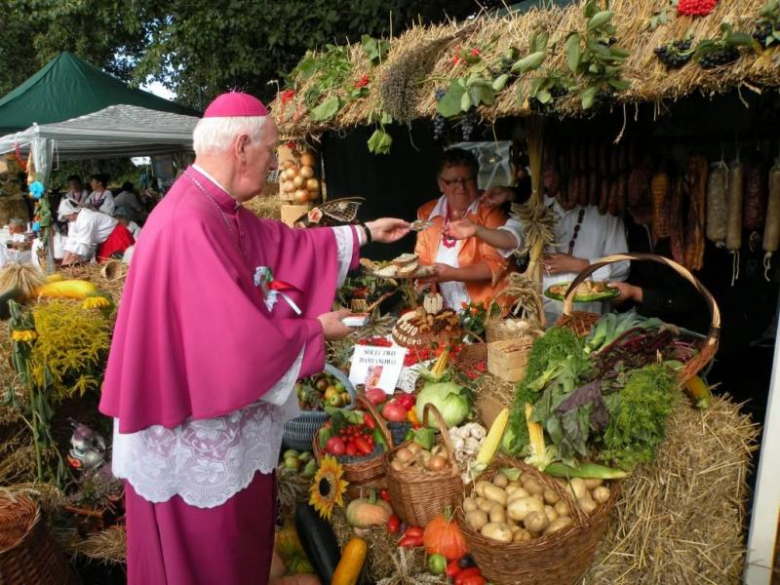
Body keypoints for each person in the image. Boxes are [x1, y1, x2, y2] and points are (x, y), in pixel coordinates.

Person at [98, 92, 409, 585]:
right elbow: (231, 346)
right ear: (242, 146)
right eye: (270, 154)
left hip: (214, 419)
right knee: (208, 561)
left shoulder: (216, 209)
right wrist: (314, 329)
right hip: (191, 433)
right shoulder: (187, 222)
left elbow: (283, 245)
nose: (271, 170)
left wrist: (365, 233)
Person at [446, 169, 629, 323]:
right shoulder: (538, 209)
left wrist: (576, 264)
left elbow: (623, 267)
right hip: (543, 316)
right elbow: (511, 238)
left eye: (553, 171)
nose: (548, 179)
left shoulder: (605, 214)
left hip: (591, 318)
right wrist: (477, 230)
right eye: (546, 172)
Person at [415, 148, 511, 309]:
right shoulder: (426, 212)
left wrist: (452, 274)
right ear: (440, 183)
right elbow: (422, 259)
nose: (461, 187)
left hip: (488, 310)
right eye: (452, 181)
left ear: (477, 179)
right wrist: (421, 287)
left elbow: (495, 265)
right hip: (444, 309)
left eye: (467, 179)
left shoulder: (491, 210)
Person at [57, 198, 135, 265]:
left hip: (117, 237)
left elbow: (83, 246)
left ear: (70, 214)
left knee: (120, 266)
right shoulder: (74, 221)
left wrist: (69, 263)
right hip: (106, 240)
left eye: (65, 216)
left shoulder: (86, 219)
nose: (65, 218)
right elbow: (71, 241)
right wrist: (64, 262)